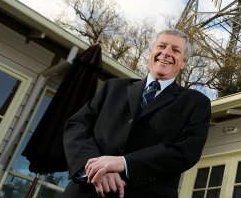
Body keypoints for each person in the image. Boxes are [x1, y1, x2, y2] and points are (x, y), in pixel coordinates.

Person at [63, 28, 211, 198]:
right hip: (87, 190)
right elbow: (77, 126)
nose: (166, 53)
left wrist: (124, 163)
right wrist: (95, 168)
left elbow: (186, 151)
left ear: (183, 62)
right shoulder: (113, 88)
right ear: (151, 53)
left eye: (176, 50)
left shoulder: (196, 102)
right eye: (161, 46)